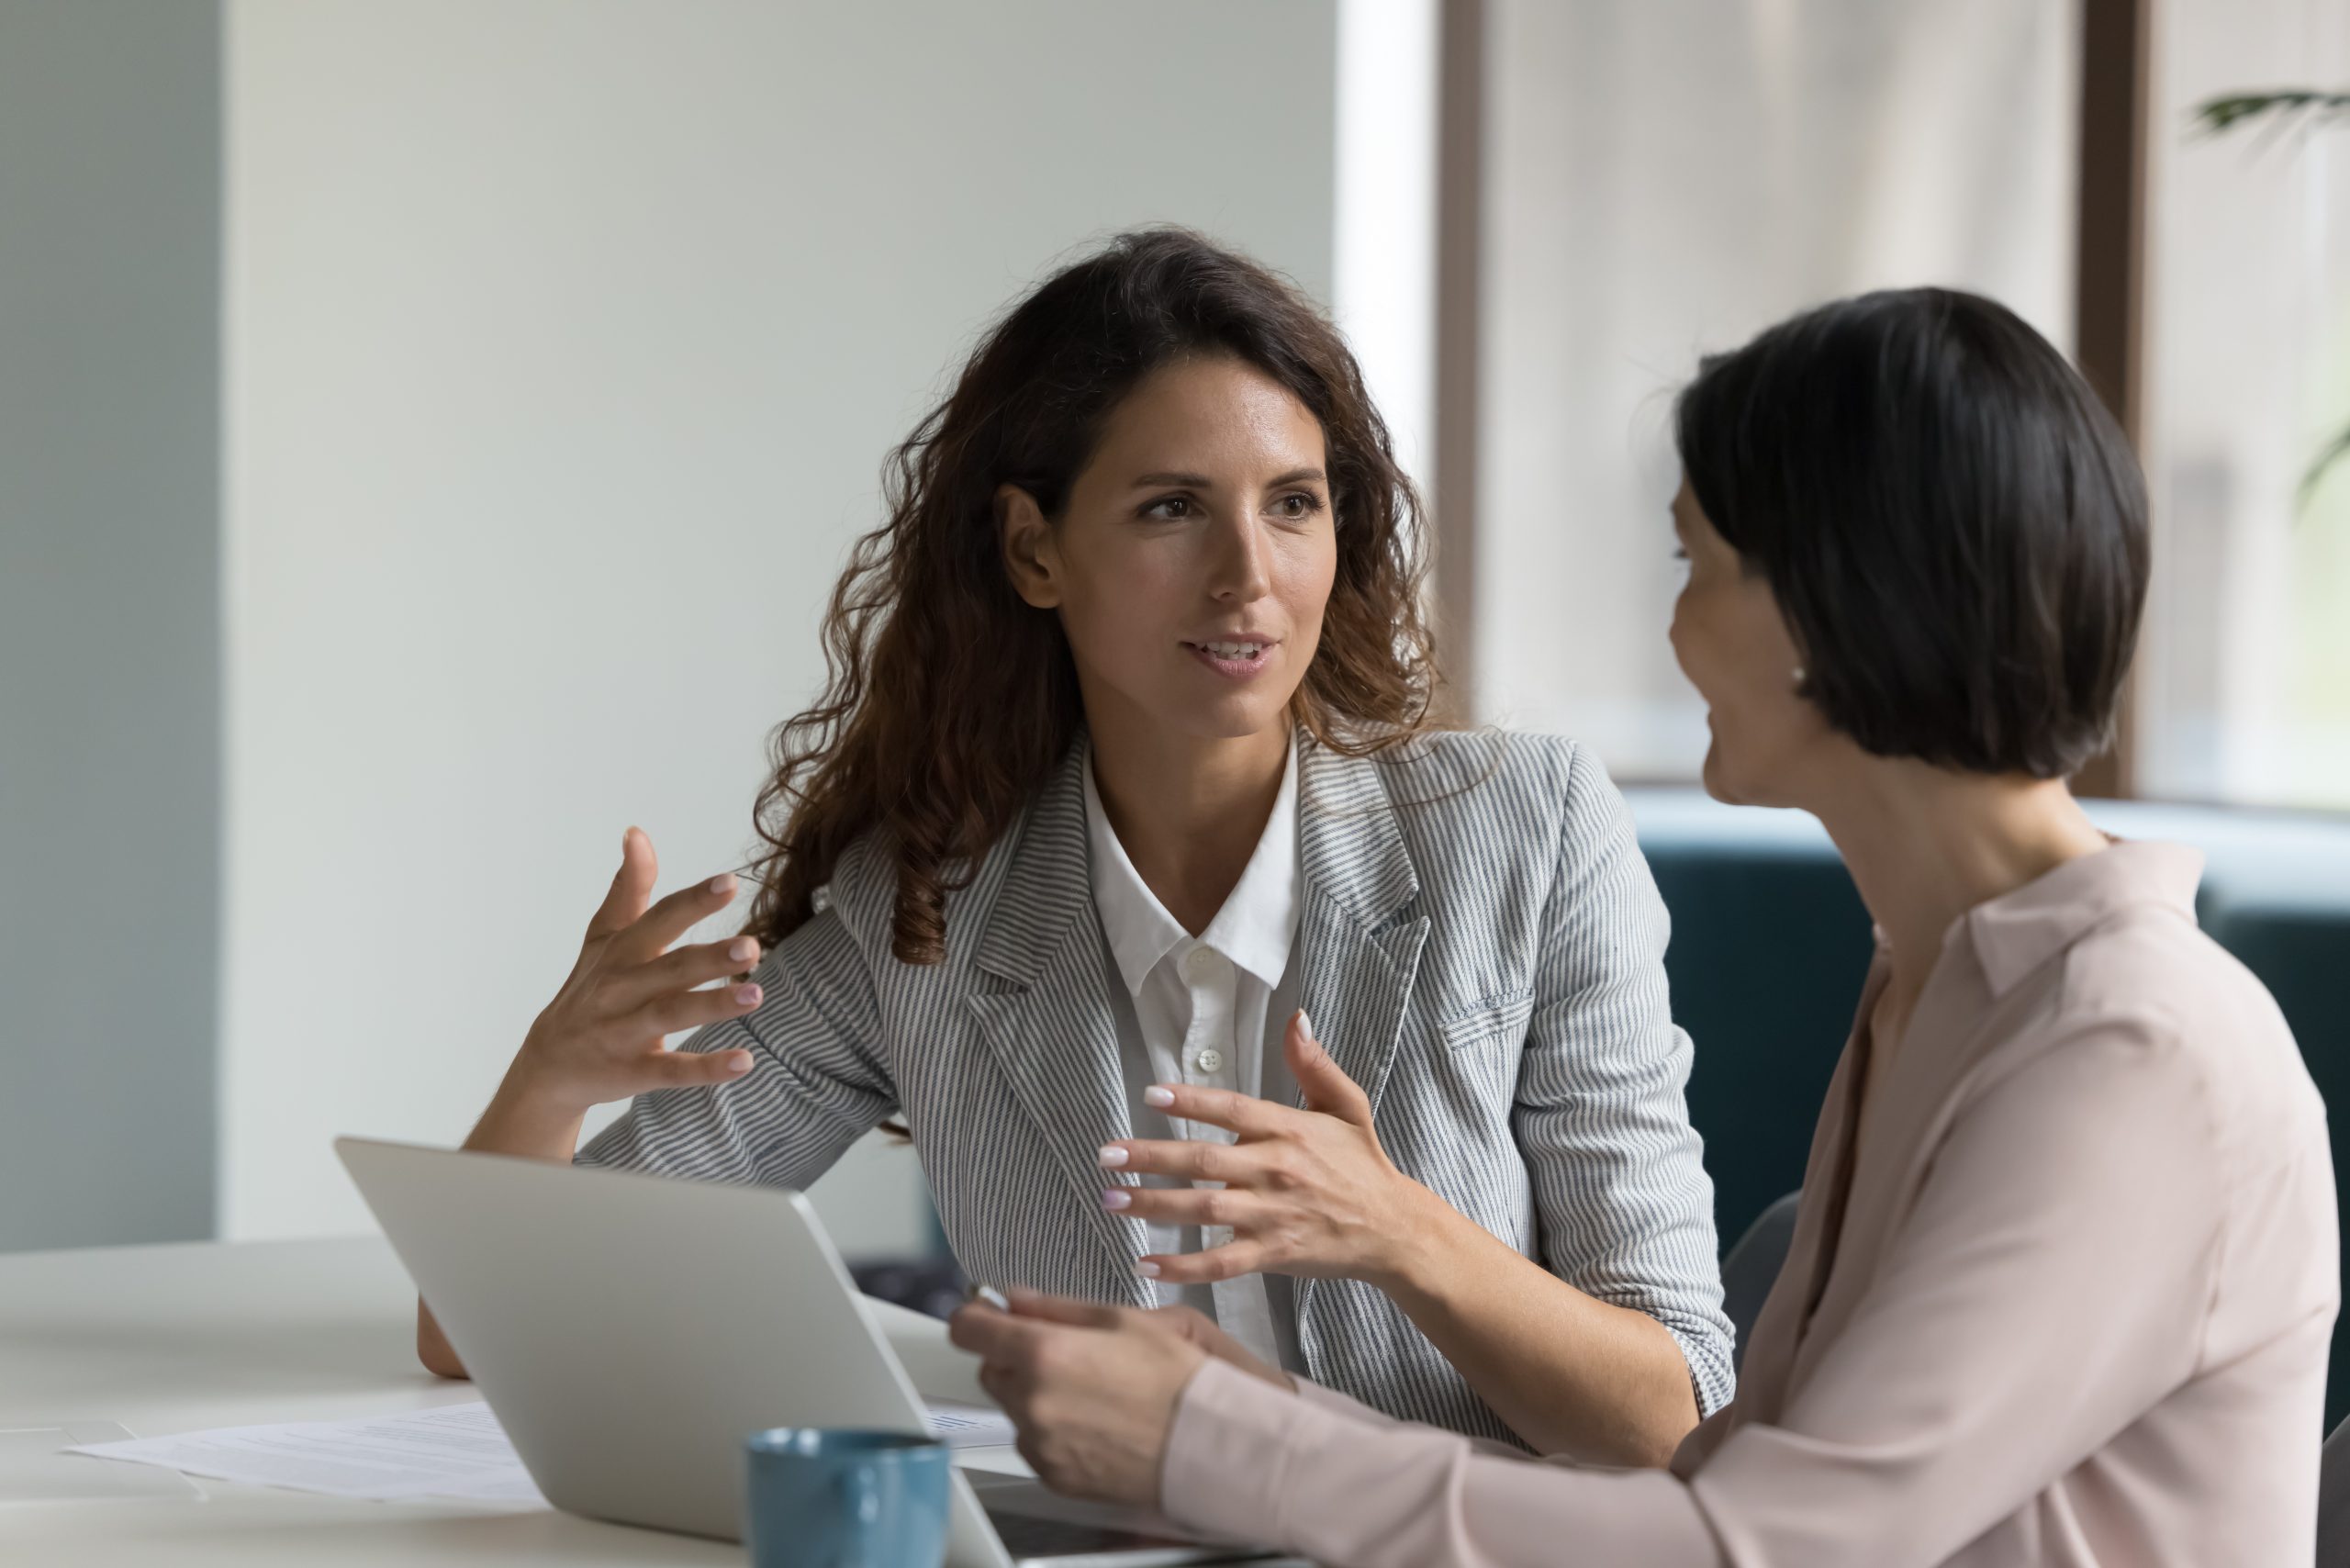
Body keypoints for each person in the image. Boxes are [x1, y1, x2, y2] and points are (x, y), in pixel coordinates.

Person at [950, 286, 2341, 1565]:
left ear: (1828, 603)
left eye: (1696, 564)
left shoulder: (2131, 1049)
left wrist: (1223, 1441)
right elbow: (1707, 1494)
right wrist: (1243, 1410)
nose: (1673, 631)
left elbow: (1763, 1548)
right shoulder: (1942, 988)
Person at [416, 228, 1736, 1463]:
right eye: (1172, 509)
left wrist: (1406, 1239)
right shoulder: (923, 915)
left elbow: (1680, 1416)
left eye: (1293, 504)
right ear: (1033, 550)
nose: (1248, 575)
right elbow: (478, 1331)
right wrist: (550, 1077)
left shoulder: (1526, 832)